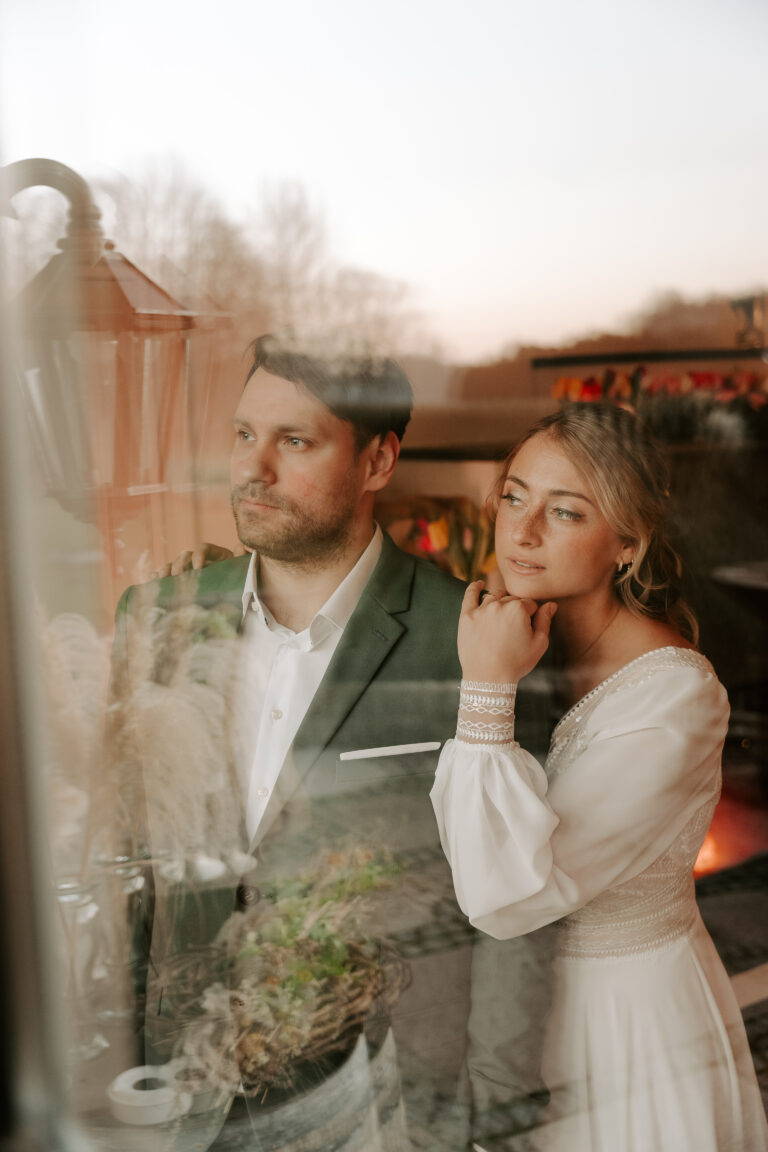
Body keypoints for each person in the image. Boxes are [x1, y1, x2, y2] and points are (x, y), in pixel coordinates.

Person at [110, 334, 554, 1149]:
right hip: (180, 1089)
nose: (254, 468)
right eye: (245, 435)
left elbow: (514, 913)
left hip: (388, 1096)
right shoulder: (154, 617)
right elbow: (130, 865)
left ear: (379, 461)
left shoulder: (473, 637)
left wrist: (493, 1118)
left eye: (295, 441)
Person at [430, 402, 768, 1152]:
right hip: (509, 1011)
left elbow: (505, 897)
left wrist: (484, 690)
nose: (521, 531)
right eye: (514, 496)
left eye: (566, 512)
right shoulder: (514, 640)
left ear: (626, 543)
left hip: (625, 1020)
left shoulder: (676, 698)